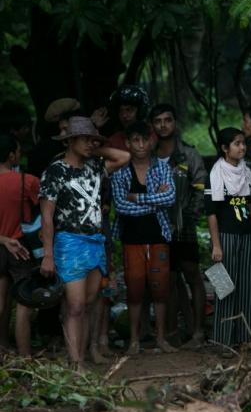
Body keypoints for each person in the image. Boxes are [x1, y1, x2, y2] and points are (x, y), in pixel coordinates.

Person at [39, 116, 130, 369]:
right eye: (85, 139)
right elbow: (47, 215)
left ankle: (77, 359)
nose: (91, 144)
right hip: (69, 241)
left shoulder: (95, 166)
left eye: (93, 140)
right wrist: (48, 254)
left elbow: (124, 157)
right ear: (70, 140)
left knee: (88, 304)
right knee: (75, 305)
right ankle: (76, 363)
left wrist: (94, 145)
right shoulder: (55, 171)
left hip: (95, 241)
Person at [111, 122, 177, 355]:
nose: (140, 145)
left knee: (160, 289)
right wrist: (153, 200)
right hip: (131, 238)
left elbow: (169, 198)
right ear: (127, 144)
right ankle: (134, 341)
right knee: (135, 290)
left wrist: (136, 198)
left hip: (158, 236)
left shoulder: (161, 167)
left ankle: (160, 338)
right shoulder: (120, 172)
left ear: (151, 141)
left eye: (144, 140)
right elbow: (121, 206)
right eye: (135, 140)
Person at [151, 104, 207, 348]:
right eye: (158, 121)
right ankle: (173, 332)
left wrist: (190, 217)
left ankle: (198, 332)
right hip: (157, 225)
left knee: (193, 275)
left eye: (168, 120)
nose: (163, 125)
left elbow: (200, 187)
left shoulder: (188, 154)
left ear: (175, 123)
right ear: (152, 125)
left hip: (184, 225)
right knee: (169, 279)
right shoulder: (148, 155)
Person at [205, 127, 251, 349]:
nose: (242, 147)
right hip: (225, 237)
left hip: (247, 234)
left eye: (243, 143)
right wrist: (216, 244)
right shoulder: (216, 172)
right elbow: (211, 213)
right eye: (237, 143)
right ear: (224, 148)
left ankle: (250, 338)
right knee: (224, 289)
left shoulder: (247, 170)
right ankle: (223, 341)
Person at [0, 134, 39, 356]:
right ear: (11, 155)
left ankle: (3, 347)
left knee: (1, 303)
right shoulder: (28, 181)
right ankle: (26, 357)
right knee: (24, 304)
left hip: (0, 245)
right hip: (20, 248)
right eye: (17, 151)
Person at [105, 85, 153, 151]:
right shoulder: (113, 141)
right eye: (120, 111)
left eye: (129, 110)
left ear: (140, 111)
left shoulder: (153, 134)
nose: (124, 115)